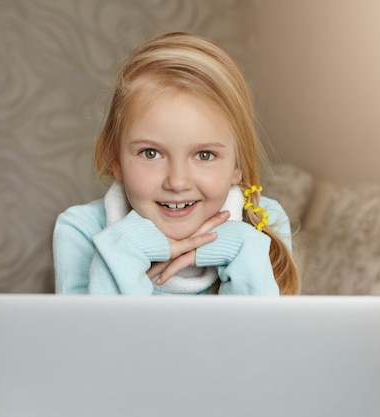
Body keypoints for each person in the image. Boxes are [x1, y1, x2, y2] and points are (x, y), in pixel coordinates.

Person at [53, 32, 299, 295]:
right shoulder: (80, 230)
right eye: (150, 153)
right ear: (116, 160)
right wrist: (120, 251)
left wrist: (241, 248)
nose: (177, 182)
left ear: (238, 166)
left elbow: (260, 335)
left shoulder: (264, 223)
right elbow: (95, 335)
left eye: (204, 155)